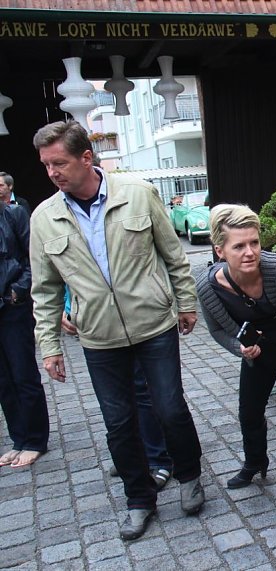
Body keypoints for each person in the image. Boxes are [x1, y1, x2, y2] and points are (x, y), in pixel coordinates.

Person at [29, 120, 204, 541]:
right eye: (46, 165)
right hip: (98, 336)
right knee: (118, 422)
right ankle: (139, 499)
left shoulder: (138, 194)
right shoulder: (44, 219)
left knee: (169, 407)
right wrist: (49, 346)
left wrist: (186, 303)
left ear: (86, 158)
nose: (53, 172)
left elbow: (175, 257)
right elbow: (45, 291)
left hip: (153, 323)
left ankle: (189, 476)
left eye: (60, 163)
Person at [195, 204, 276, 547]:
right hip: (260, 349)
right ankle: (256, 462)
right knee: (249, 413)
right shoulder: (209, 287)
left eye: (254, 242)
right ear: (220, 251)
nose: (250, 252)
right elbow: (218, 332)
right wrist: (240, 348)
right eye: (239, 246)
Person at [61, 288, 173, 490]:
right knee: (116, 397)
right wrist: (67, 307)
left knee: (141, 388)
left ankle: (157, 457)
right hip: (93, 319)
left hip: (131, 316)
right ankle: (134, 456)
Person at [0, 199, 49, 468]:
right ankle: (18, 439)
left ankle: (35, 440)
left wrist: (18, 290)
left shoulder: (14, 214)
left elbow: (35, 257)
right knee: (3, 380)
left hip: (11, 305)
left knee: (23, 373)